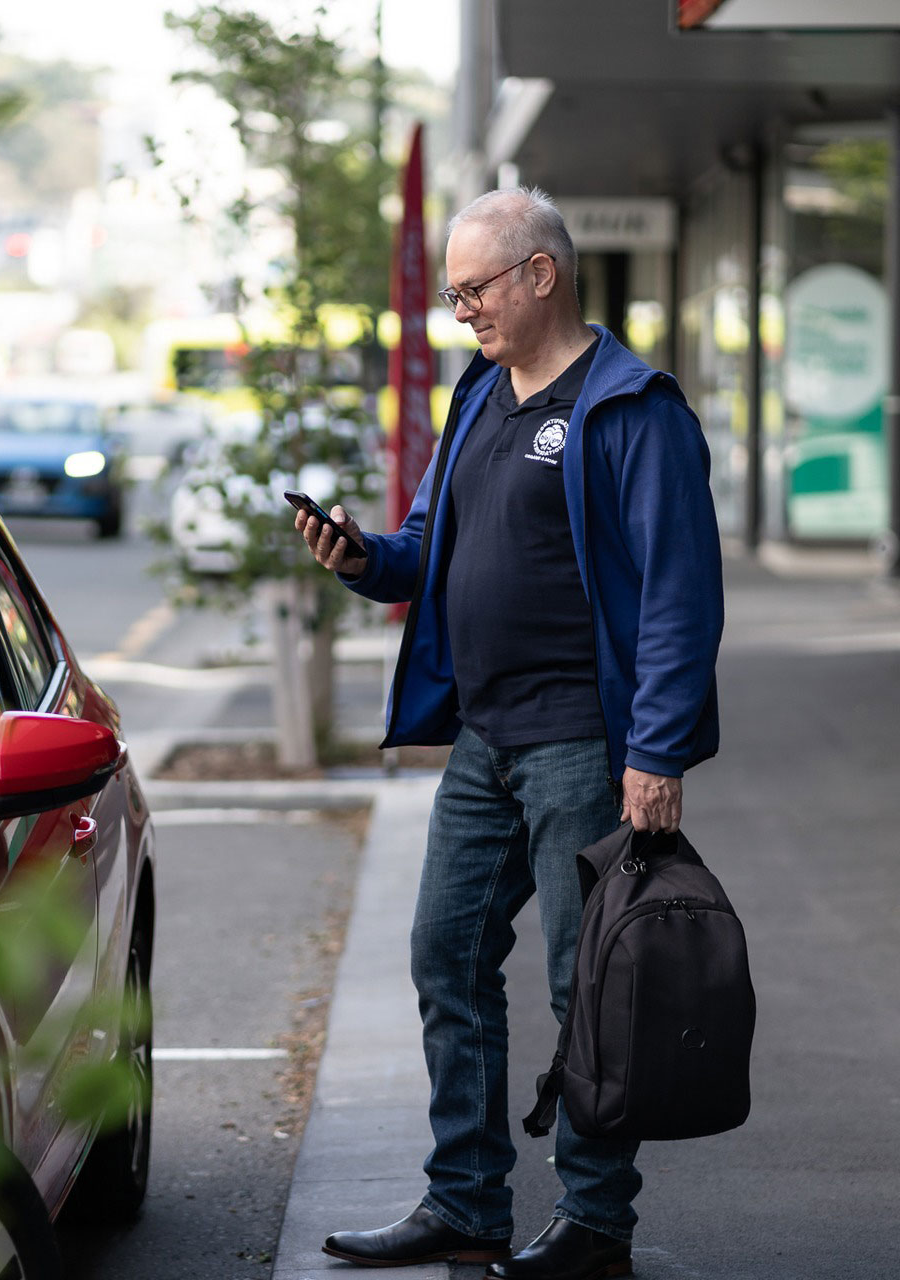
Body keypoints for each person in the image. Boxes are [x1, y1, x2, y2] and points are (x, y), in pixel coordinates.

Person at [296, 188, 723, 1280]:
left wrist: (657, 751)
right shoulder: (481, 391)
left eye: (474, 289)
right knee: (445, 950)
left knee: (586, 981)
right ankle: (469, 1198)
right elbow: (432, 538)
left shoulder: (632, 408)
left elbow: (680, 591)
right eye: (452, 293)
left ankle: (594, 1220)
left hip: (587, 739)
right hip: (487, 739)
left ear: (541, 274)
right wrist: (363, 559)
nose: (461, 312)